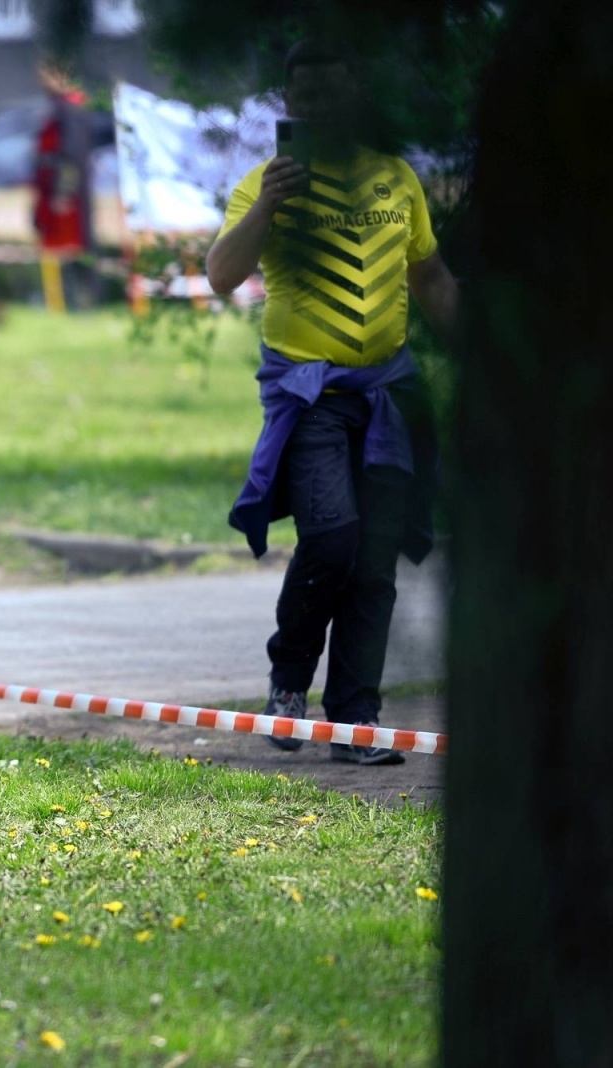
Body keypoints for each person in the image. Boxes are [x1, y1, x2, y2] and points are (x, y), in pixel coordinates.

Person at [205, 40, 460, 765]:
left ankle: (356, 718)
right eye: (305, 95)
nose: (320, 106)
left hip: (388, 395)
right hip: (307, 393)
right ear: (290, 104)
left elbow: (433, 278)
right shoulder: (264, 183)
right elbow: (221, 274)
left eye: (333, 92)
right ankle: (289, 686)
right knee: (332, 537)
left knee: (375, 563)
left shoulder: (396, 179)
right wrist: (271, 208)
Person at [32, 60, 101, 308]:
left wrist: (63, 191)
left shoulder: (70, 109)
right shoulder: (61, 107)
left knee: (69, 248)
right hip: (54, 191)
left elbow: (71, 155)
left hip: (65, 195)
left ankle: (77, 301)